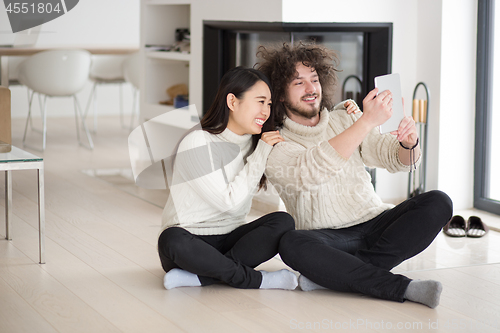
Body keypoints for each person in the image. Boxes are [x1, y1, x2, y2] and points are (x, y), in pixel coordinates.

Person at [256, 42, 453, 308]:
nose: (311, 88)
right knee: (291, 242)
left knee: (438, 202)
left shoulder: (345, 118)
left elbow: (393, 158)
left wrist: (409, 143)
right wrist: (366, 122)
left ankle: (336, 276)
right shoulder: (274, 141)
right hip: (325, 239)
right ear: (279, 94)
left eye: (314, 79)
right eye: (298, 83)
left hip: (374, 222)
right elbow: (310, 171)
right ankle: (401, 287)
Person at [158, 66, 298, 290]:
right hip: (191, 241)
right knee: (171, 240)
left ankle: (202, 278)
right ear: (232, 102)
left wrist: (343, 111)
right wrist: (261, 152)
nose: (266, 111)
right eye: (260, 101)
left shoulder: (256, 143)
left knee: (283, 222)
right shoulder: (198, 142)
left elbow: (302, 134)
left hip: (230, 240)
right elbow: (229, 204)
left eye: (269, 104)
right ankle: (257, 280)